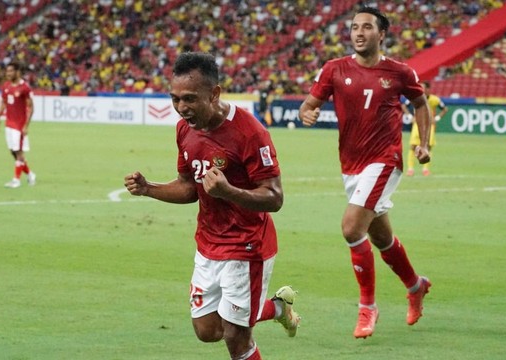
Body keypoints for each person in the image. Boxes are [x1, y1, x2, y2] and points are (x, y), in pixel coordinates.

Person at [124, 52, 300, 360]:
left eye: (190, 99)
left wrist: (228, 191)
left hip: (247, 247)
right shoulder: (185, 129)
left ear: (214, 93)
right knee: (208, 331)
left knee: (236, 338)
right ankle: (277, 308)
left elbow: (275, 197)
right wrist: (148, 188)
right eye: (175, 99)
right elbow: (189, 187)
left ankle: (252, 316)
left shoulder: (250, 133)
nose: (182, 108)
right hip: (208, 244)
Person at [298, 6, 432, 339]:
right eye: (355, 27)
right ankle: (416, 286)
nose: (359, 32)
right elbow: (308, 104)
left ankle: (368, 307)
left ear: (381, 34)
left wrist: (424, 144)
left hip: (385, 160)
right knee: (381, 237)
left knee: (351, 226)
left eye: (367, 27)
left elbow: (421, 104)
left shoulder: (399, 72)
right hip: (351, 165)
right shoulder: (334, 69)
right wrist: (307, 112)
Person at [0, 61, 36, 188]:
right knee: (13, 152)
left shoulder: (25, 88)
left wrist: (26, 126)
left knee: (19, 152)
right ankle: (30, 174)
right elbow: (4, 102)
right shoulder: (6, 86)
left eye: (11, 71)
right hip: (9, 123)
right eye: (7, 71)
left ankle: (16, 180)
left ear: (17, 72)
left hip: (19, 125)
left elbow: (30, 107)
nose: (8, 74)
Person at [406, 81, 448, 176]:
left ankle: (425, 169)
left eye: (423, 88)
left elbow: (445, 109)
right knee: (413, 146)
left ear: (428, 89)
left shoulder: (435, 99)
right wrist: (409, 116)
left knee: (428, 147)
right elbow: (404, 105)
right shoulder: (415, 96)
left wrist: (437, 118)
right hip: (417, 124)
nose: (421, 89)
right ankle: (410, 169)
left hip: (429, 126)